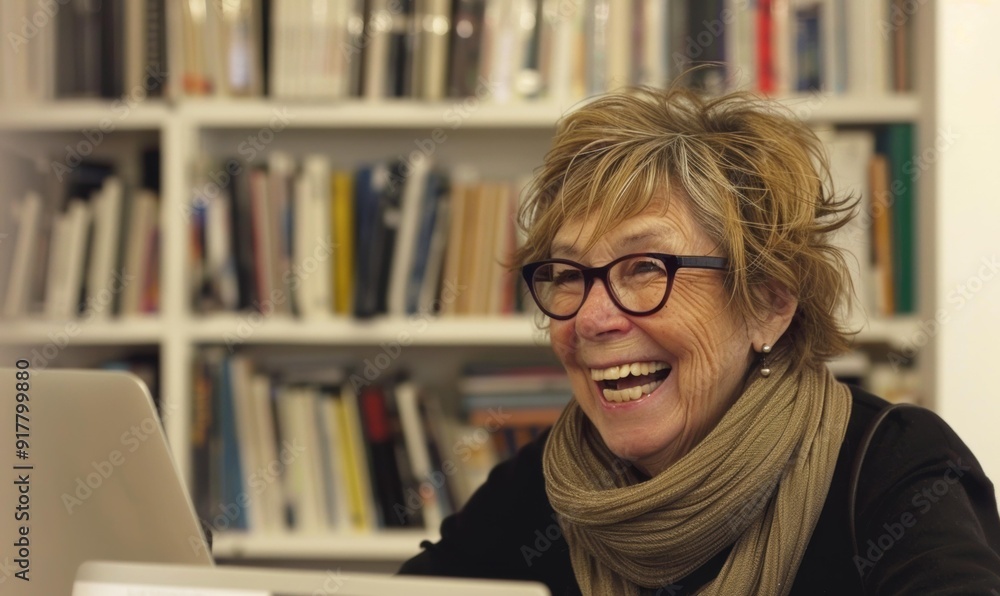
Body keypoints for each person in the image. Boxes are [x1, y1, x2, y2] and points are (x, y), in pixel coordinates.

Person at [399, 85, 1000, 595]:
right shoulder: (546, 485)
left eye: (645, 268)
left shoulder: (893, 469)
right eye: (570, 274)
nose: (591, 319)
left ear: (768, 304)